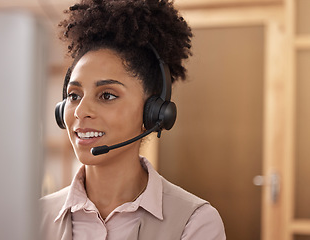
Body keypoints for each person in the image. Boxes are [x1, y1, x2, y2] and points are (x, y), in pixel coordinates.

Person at [40, 0, 226, 239]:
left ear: (153, 112)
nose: (80, 111)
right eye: (74, 95)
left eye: (107, 95)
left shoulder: (194, 221)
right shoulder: (35, 217)